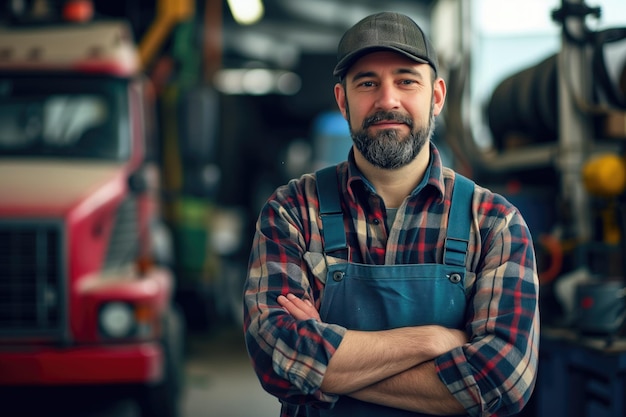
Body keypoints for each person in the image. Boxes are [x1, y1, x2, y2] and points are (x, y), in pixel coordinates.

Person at [243, 11, 539, 417]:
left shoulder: (493, 222)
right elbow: (277, 360)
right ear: (342, 100)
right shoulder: (293, 211)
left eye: (406, 80)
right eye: (368, 83)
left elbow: (503, 381)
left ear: (436, 96)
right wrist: (431, 341)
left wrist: (327, 367)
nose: (387, 100)